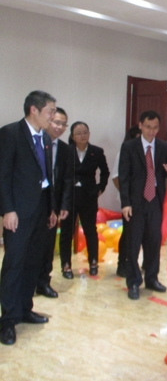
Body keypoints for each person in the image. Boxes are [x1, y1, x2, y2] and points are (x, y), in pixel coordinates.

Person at [0, 90, 58, 346]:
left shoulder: (45, 138)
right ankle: (7, 320)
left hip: (41, 209)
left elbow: (47, 177)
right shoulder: (10, 133)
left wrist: (52, 208)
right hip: (18, 212)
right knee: (14, 264)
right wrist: (7, 210)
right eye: (50, 111)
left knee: (33, 262)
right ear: (34, 109)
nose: (53, 116)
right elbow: (3, 175)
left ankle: (25, 309)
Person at [119, 110, 167, 300]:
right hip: (136, 202)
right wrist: (125, 203)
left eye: (155, 128)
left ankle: (152, 278)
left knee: (154, 242)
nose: (152, 131)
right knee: (133, 244)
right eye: (148, 127)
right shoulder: (129, 147)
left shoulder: (164, 147)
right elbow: (124, 177)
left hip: (155, 201)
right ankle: (134, 282)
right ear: (140, 125)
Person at [59, 121, 109, 278]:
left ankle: (93, 262)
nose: (82, 136)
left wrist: (100, 188)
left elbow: (105, 172)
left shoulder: (96, 151)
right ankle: (66, 266)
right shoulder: (66, 151)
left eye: (85, 132)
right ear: (72, 136)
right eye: (78, 133)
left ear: (89, 133)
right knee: (66, 232)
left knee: (90, 230)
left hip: (88, 195)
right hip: (69, 196)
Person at [36, 107, 71, 297]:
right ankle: (27, 284)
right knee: (31, 246)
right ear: (49, 120)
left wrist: (63, 205)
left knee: (48, 246)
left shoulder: (65, 149)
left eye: (63, 124)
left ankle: (43, 282)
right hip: (33, 204)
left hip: (53, 205)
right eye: (57, 122)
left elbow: (67, 180)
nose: (59, 127)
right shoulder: (36, 142)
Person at [111, 126, 141, 277]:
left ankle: (134, 263)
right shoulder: (124, 152)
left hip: (143, 201)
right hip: (128, 201)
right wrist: (126, 196)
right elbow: (116, 177)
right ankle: (122, 264)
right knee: (128, 234)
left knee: (140, 234)